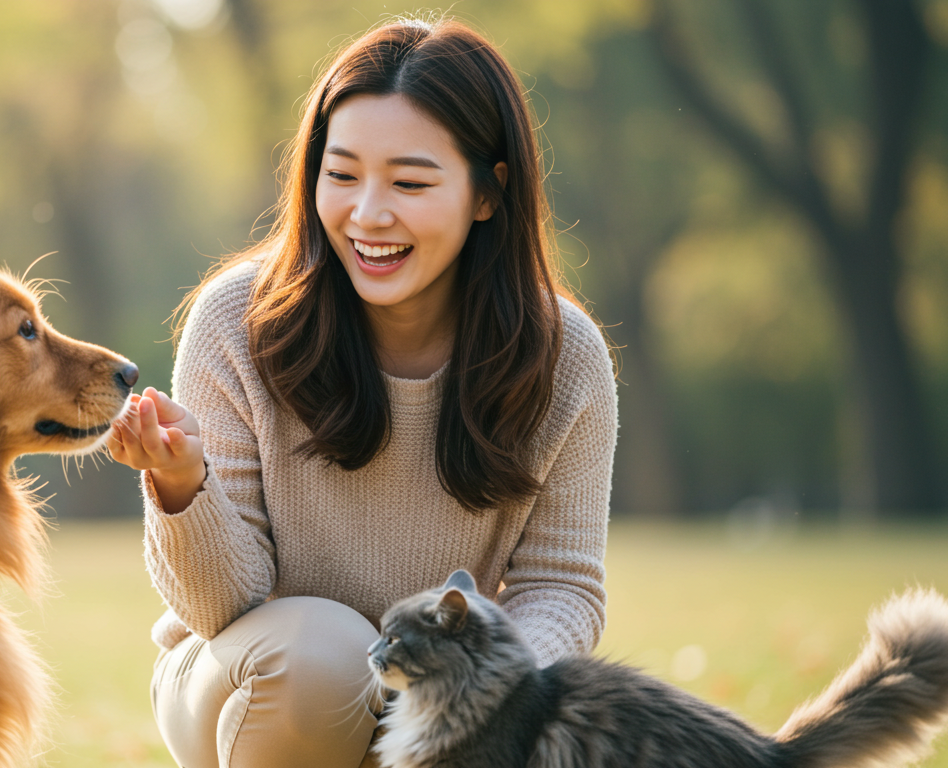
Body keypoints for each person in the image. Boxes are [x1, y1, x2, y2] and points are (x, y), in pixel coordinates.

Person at [109, 15, 616, 768]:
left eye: (409, 182)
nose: (367, 214)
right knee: (324, 658)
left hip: (438, 696)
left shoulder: (563, 355)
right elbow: (224, 610)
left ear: (487, 192)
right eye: (340, 175)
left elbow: (561, 589)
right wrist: (185, 486)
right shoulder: (237, 323)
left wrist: (479, 695)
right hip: (251, 677)